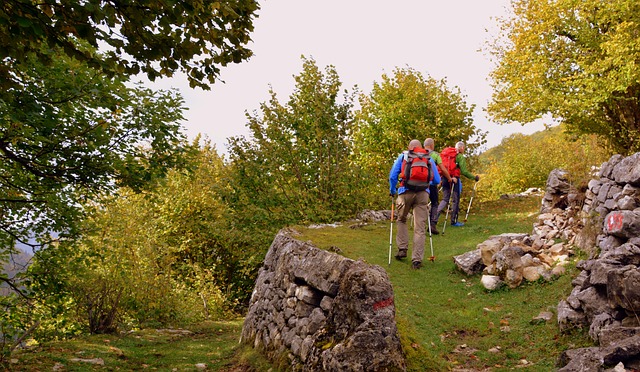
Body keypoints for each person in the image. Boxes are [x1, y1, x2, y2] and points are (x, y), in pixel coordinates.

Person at [389, 139, 440, 269]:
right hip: (422, 194)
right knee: (419, 228)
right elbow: (437, 179)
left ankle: (402, 248)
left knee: (401, 220)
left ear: (410, 147)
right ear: (420, 147)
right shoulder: (428, 157)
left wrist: (392, 190)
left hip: (405, 192)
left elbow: (392, 176)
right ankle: (416, 260)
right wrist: (426, 184)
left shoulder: (404, 156)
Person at [436, 141, 480, 227]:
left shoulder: (446, 155)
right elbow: (464, 171)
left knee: (445, 199)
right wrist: (474, 177)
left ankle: (434, 218)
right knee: (455, 200)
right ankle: (454, 221)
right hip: (454, 179)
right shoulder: (459, 157)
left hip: (445, 177)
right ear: (462, 148)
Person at [423, 138, 452, 234]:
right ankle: (432, 225)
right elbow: (442, 169)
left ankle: (420, 224)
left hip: (420, 184)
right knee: (435, 203)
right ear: (432, 145)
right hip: (431, 183)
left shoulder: (419, 154)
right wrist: (449, 178)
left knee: (421, 203)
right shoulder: (435, 155)